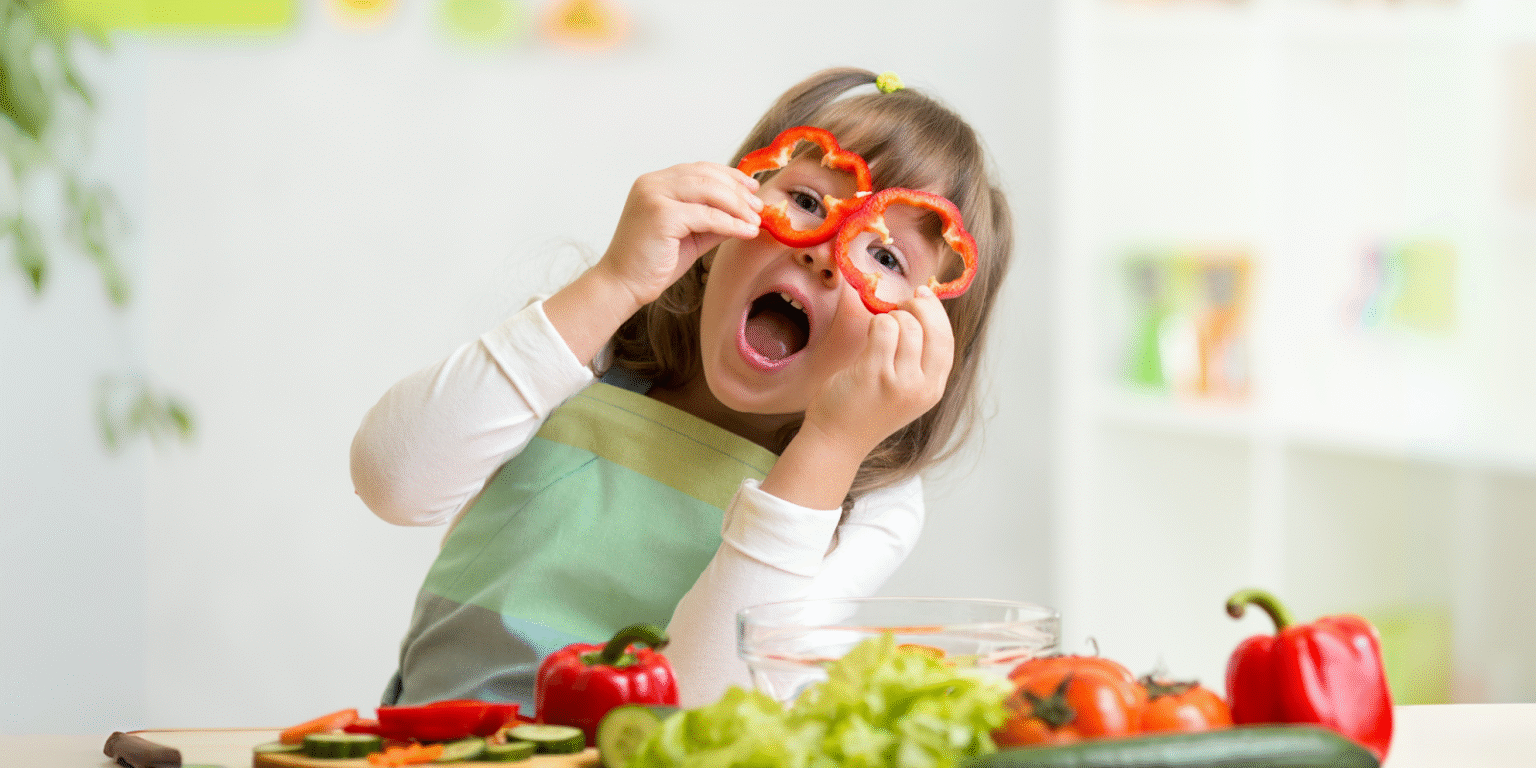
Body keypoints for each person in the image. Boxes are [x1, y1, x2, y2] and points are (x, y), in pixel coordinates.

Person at [350, 66, 1015, 711]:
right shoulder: (589, 349)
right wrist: (613, 282)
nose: (824, 251)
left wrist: (832, 445)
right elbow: (393, 483)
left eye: (886, 256)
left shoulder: (872, 501)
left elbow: (705, 703)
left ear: (924, 341)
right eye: (808, 202)